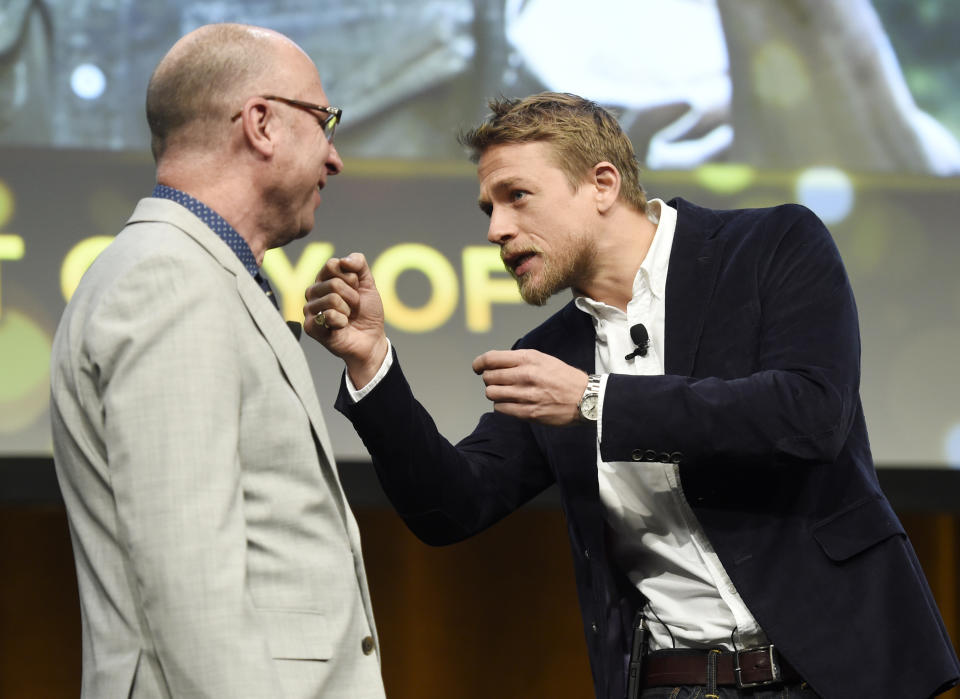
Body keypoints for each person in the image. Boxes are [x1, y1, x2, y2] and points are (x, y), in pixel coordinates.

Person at [304, 92, 960, 699]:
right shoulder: (555, 352)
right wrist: (371, 362)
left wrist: (598, 403)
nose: (496, 229)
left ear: (601, 184)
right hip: (673, 682)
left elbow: (809, 412)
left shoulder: (769, 247)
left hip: (838, 672)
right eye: (488, 208)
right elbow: (451, 506)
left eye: (517, 196)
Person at [49, 23, 385, 699]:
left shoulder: (191, 271)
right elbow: (190, 579)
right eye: (324, 121)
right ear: (260, 123)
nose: (335, 156)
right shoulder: (169, 280)